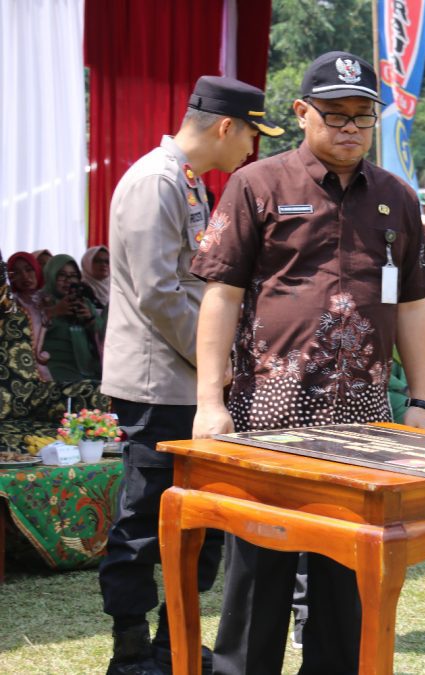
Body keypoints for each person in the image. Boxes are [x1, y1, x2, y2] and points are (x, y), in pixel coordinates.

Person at [189, 52, 425, 674]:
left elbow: (412, 304)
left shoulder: (396, 198)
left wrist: (422, 403)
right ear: (301, 113)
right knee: (259, 567)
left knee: (347, 568)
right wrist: (209, 403)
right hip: (271, 409)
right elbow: (220, 296)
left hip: (363, 417)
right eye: (335, 114)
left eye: (363, 116)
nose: (350, 127)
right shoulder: (257, 185)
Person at [98, 75, 277, 675]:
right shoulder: (157, 182)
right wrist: (215, 361)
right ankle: (130, 651)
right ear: (227, 126)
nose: (252, 150)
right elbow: (158, 293)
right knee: (145, 519)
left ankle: (169, 645)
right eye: (252, 133)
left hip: (181, 379)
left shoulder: (185, 181)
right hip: (159, 381)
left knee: (195, 520)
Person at [41, 254, 105, 383]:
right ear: (51, 275)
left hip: (87, 370)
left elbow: (105, 337)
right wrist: (53, 312)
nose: (68, 280)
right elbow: (32, 335)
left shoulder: (84, 302)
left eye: (73, 275)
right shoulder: (40, 301)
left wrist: (91, 319)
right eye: (62, 275)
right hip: (55, 370)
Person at [6, 252, 51, 380]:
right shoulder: (10, 304)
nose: (25, 276)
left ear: (37, 270)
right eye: (16, 273)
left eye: (29, 269)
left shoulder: (50, 299)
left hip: (51, 366)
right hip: (19, 369)